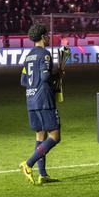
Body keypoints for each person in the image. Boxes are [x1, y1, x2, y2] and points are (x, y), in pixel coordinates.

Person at [20, 23, 61, 185]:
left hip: (31, 100)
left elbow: (23, 80)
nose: (49, 37)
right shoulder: (45, 54)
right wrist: (56, 76)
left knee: (40, 136)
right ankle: (28, 164)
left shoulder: (28, 56)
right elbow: (45, 77)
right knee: (55, 136)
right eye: (48, 35)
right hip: (44, 99)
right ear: (43, 37)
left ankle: (42, 174)